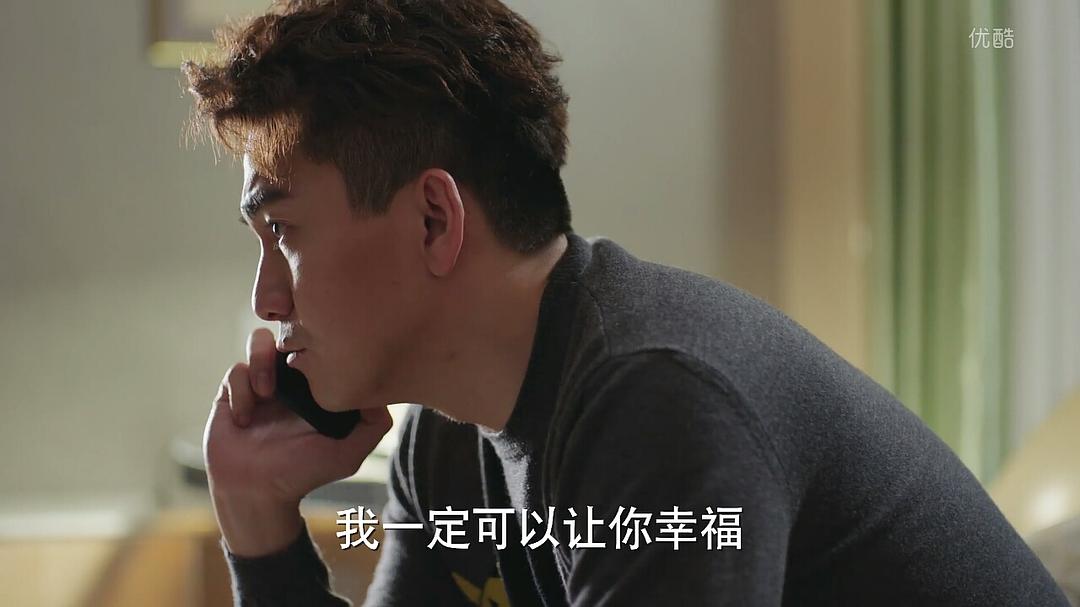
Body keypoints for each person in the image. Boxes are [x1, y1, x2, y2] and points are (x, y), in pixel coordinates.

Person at [186, 1, 1071, 605]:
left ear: (433, 220)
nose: (267, 298)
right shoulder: (449, 437)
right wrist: (258, 520)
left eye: (285, 233)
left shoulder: (657, 399)